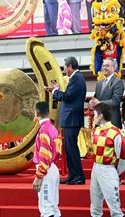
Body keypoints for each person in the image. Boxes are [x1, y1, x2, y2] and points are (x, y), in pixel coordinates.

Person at [45, 56, 86, 185]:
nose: (64, 70)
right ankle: (73, 175)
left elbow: (67, 97)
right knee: (69, 149)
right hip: (70, 119)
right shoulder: (75, 78)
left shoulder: (77, 78)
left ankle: (78, 176)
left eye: (64, 67)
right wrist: (56, 89)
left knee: (71, 149)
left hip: (72, 119)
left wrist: (55, 91)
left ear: (69, 66)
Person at [90, 103, 124, 217]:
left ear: (100, 116)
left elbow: (122, 156)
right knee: (95, 208)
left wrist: (116, 173)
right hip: (95, 168)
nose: (92, 116)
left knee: (115, 208)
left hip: (108, 170)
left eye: (94, 114)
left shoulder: (116, 133)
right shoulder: (95, 131)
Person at [32, 101, 62, 217]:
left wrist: (38, 176)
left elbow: (45, 156)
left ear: (37, 113)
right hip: (52, 167)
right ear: (48, 112)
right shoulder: (53, 129)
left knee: (46, 208)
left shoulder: (44, 130)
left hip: (46, 169)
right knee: (53, 206)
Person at [89, 57, 124, 129]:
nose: (104, 68)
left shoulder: (118, 82)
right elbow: (96, 98)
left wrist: (99, 103)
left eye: (107, 66)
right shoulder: (99, 83)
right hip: (99, 123)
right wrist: (92, 103)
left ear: (114, 68)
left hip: (112, 122)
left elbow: (115, 101)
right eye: (103, 66)